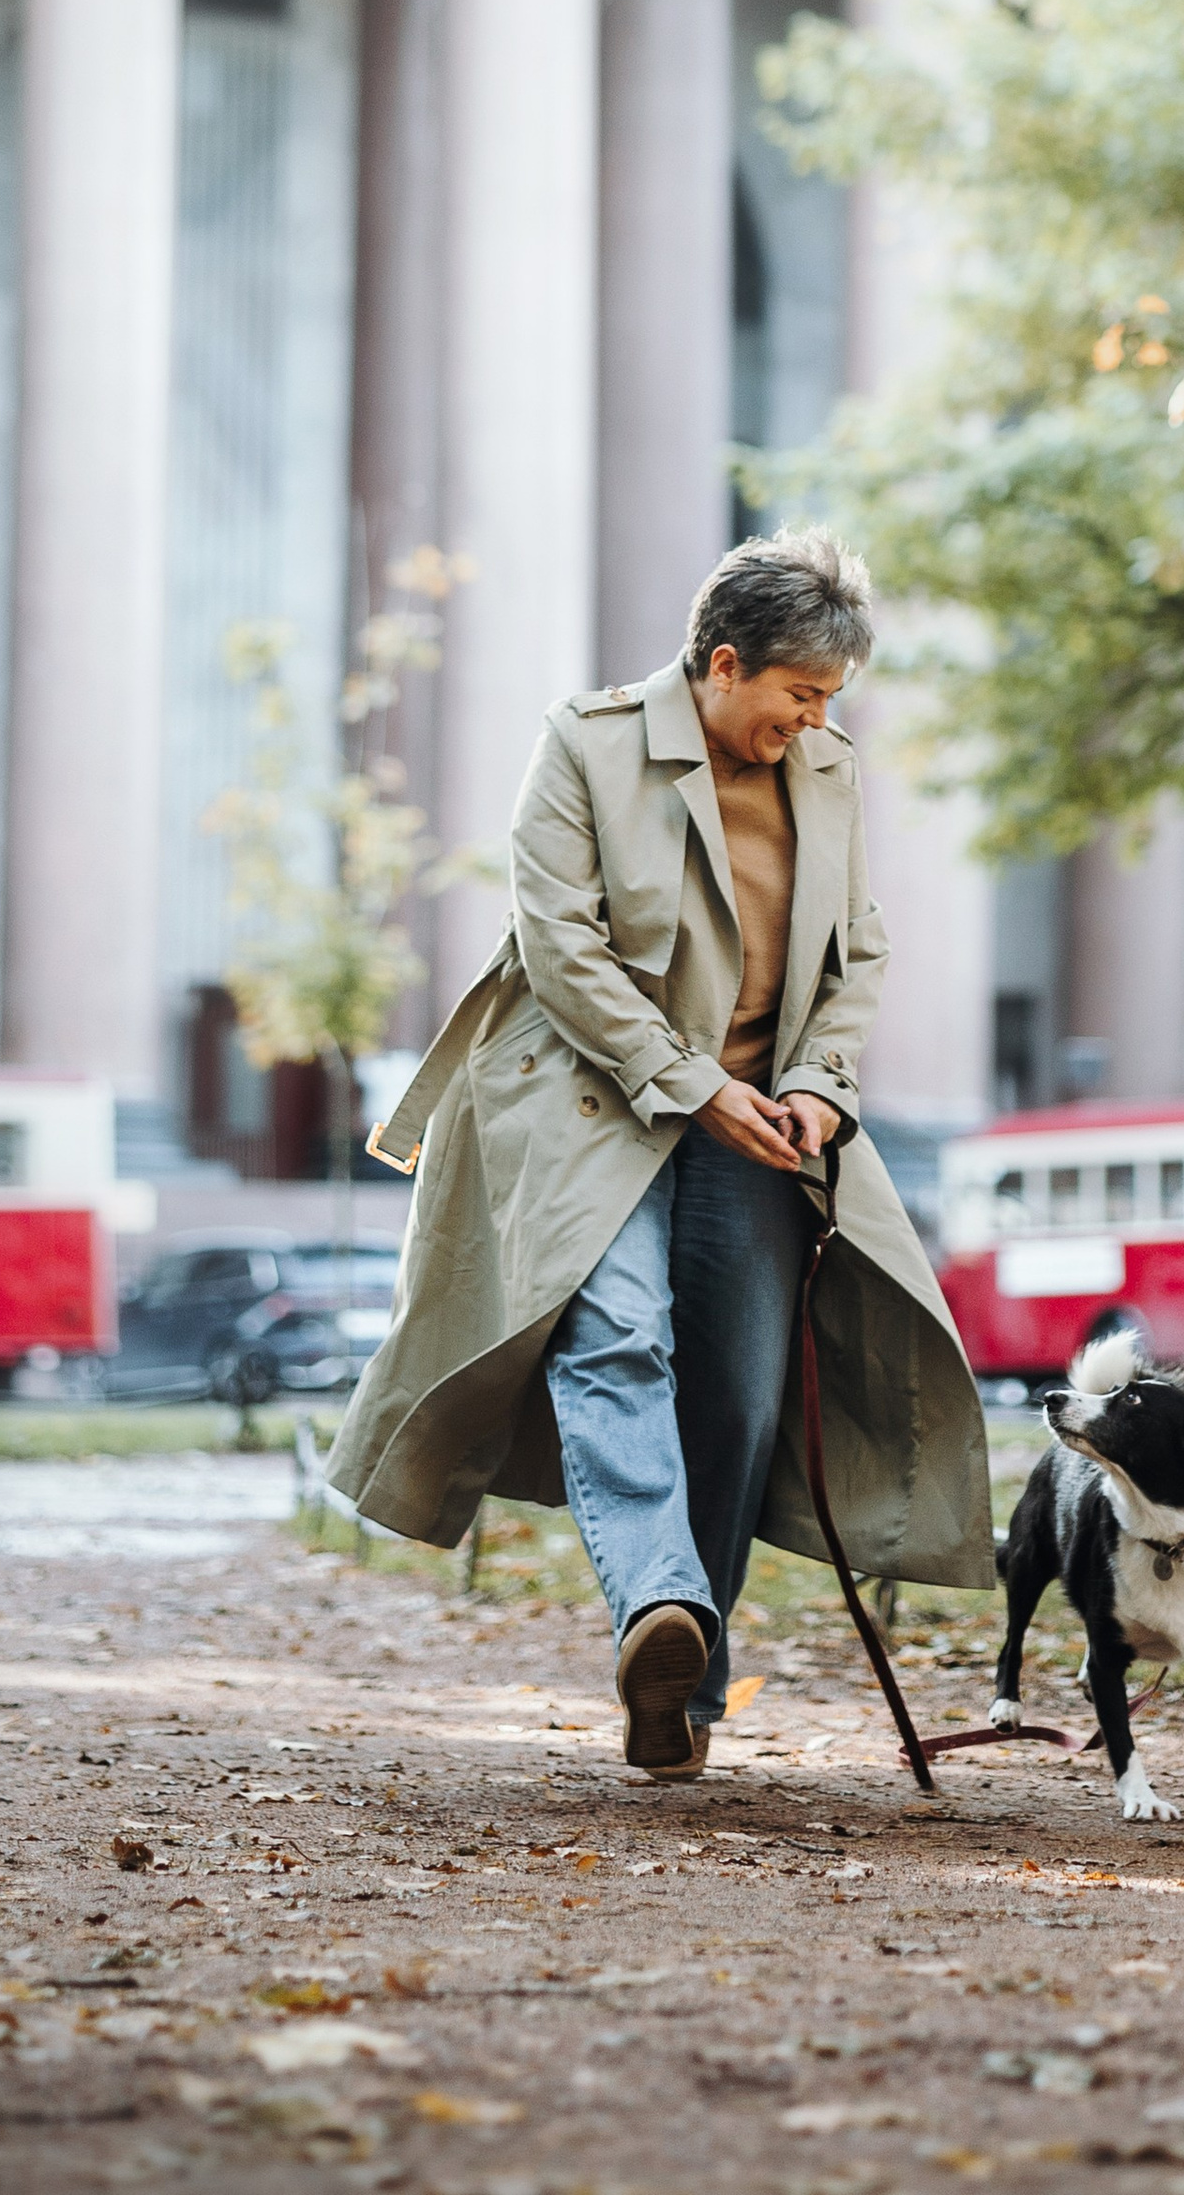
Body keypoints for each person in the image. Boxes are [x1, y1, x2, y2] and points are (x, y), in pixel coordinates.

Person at [328, 528, 993, 1776]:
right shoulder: (583, 742)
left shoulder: (830, 772)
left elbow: (858, 953)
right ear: (724, 664)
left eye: (829, 701)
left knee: (736, 1404)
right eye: (798, 694)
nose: (811, 720)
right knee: (615, 1336)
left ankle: (681, 1689)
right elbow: (560, 945)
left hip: (755, 1126)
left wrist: (814, 1086)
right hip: (589, 1106)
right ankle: (655, 1610)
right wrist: (688, 1086)